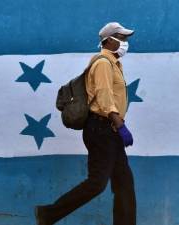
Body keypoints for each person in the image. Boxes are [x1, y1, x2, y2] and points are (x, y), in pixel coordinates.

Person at [35, 22, 136, 225]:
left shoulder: (114, 64)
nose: (125, 42)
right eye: (122, 38)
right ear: (108, 40)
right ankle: (48, 214)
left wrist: (118, 127)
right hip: (101, 128)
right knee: (97, 183)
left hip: (110, 129)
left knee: (124, 184)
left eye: (125, 38)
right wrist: (119, 123)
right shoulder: (102, 64)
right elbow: (104, 96)